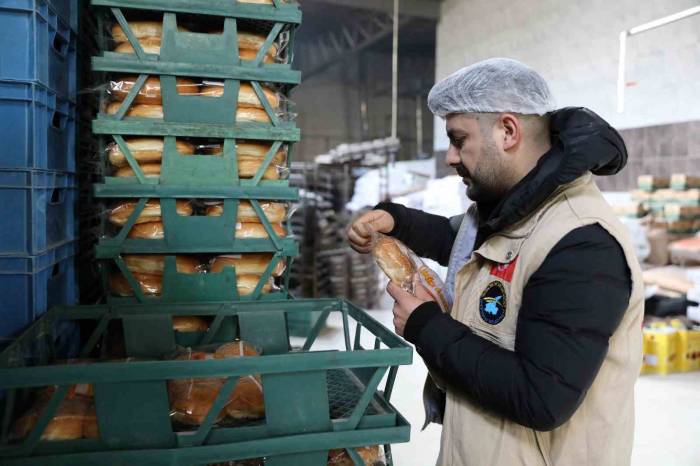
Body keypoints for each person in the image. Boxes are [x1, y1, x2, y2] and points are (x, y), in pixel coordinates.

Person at [347, 58, 643, 466]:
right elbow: (465, 241)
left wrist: (425, 325)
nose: (450, 156)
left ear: (507, 131)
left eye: (459, 139)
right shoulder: (511, 207)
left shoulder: (580, 244)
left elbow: (541, 396)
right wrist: (396, 220)